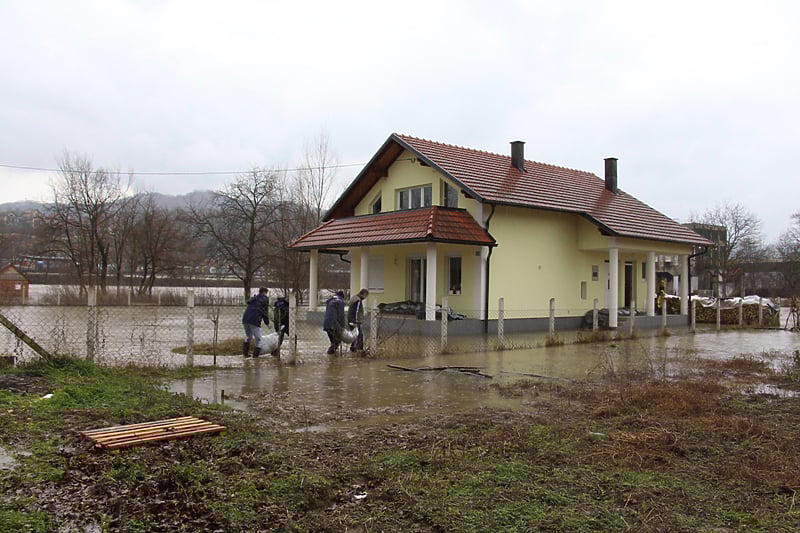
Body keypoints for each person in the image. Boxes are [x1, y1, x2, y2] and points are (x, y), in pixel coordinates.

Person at [242, 287, 270, 358]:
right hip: (255, 320)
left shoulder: (254, 298)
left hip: (245, 319)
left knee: (248, 336)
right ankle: (255, 357)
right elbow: (265, 312)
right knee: (259, 339)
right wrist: (267, 323)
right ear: (265, 292)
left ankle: (245, 354)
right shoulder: (265, 299)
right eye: (266, 293)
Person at [323, 290, 345, 354]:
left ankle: (333, 356)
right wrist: (342, 326)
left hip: (326, 324)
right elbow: (341, 315)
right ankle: (330, 355)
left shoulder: (330, 301)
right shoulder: (340, 302)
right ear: (342, 297)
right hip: (334, 325)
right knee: (337, 341)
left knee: (333, 342)